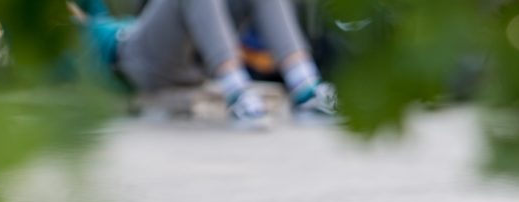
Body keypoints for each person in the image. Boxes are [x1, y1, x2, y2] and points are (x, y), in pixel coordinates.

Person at [70, 0, 336, 127]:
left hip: (181, 55)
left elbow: (98, 11)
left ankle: (306, 88)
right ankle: (237, 94)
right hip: (131, 59)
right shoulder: (41, 36)